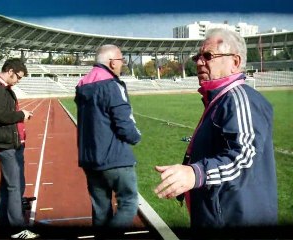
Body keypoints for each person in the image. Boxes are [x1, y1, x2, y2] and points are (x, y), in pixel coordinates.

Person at [154, 28, 278, 230]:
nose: (200, 62)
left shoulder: (238, 98)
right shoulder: (220, 100)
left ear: (235, 62)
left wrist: (196, 174)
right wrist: (186, 176)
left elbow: (243, 158)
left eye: (208, 56)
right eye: (198, 57)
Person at [75, 44, 141, 233]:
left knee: (101, 210)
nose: (122, 64)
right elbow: (123, 121)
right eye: (121, 61)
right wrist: (135, 137)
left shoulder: (82, 85)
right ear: (112, 62)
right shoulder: (112, 84)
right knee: (129, 203)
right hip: (115, 158)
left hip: (89, 159)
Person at [0, 58, 39, 239]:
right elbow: (0, 115)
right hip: (6, 144)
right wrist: (22, 115)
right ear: (10, 71)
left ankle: (5, 220)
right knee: (14, 186)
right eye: (18, 77)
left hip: (12, 142)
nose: (18, 81)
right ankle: (17, 229)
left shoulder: (4, 89)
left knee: (8, 184)